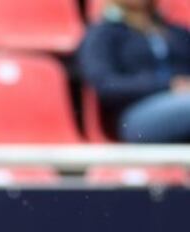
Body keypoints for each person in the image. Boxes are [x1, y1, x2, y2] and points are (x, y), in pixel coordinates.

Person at [79, 0, 190, 142]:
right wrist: (167, 85)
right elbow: (106, 84)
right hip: (138, 113)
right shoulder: (103, 34)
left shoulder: (178, 32)